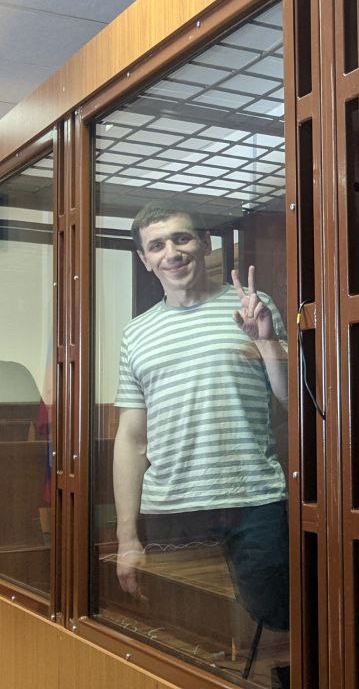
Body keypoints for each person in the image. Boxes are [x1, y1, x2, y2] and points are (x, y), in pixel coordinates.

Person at [112, 206, 290, 637]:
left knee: (274, 627)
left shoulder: (254, 307)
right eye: (157, 245)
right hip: (171, 508)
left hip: (254, 500)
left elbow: (291, 400)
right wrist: (127, 538)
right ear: (145, 259)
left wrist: (266, 341)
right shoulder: (136, 333)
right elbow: (132, 440)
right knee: (186, 634)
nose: (172, 253)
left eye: (182, 239)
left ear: (204, 244)